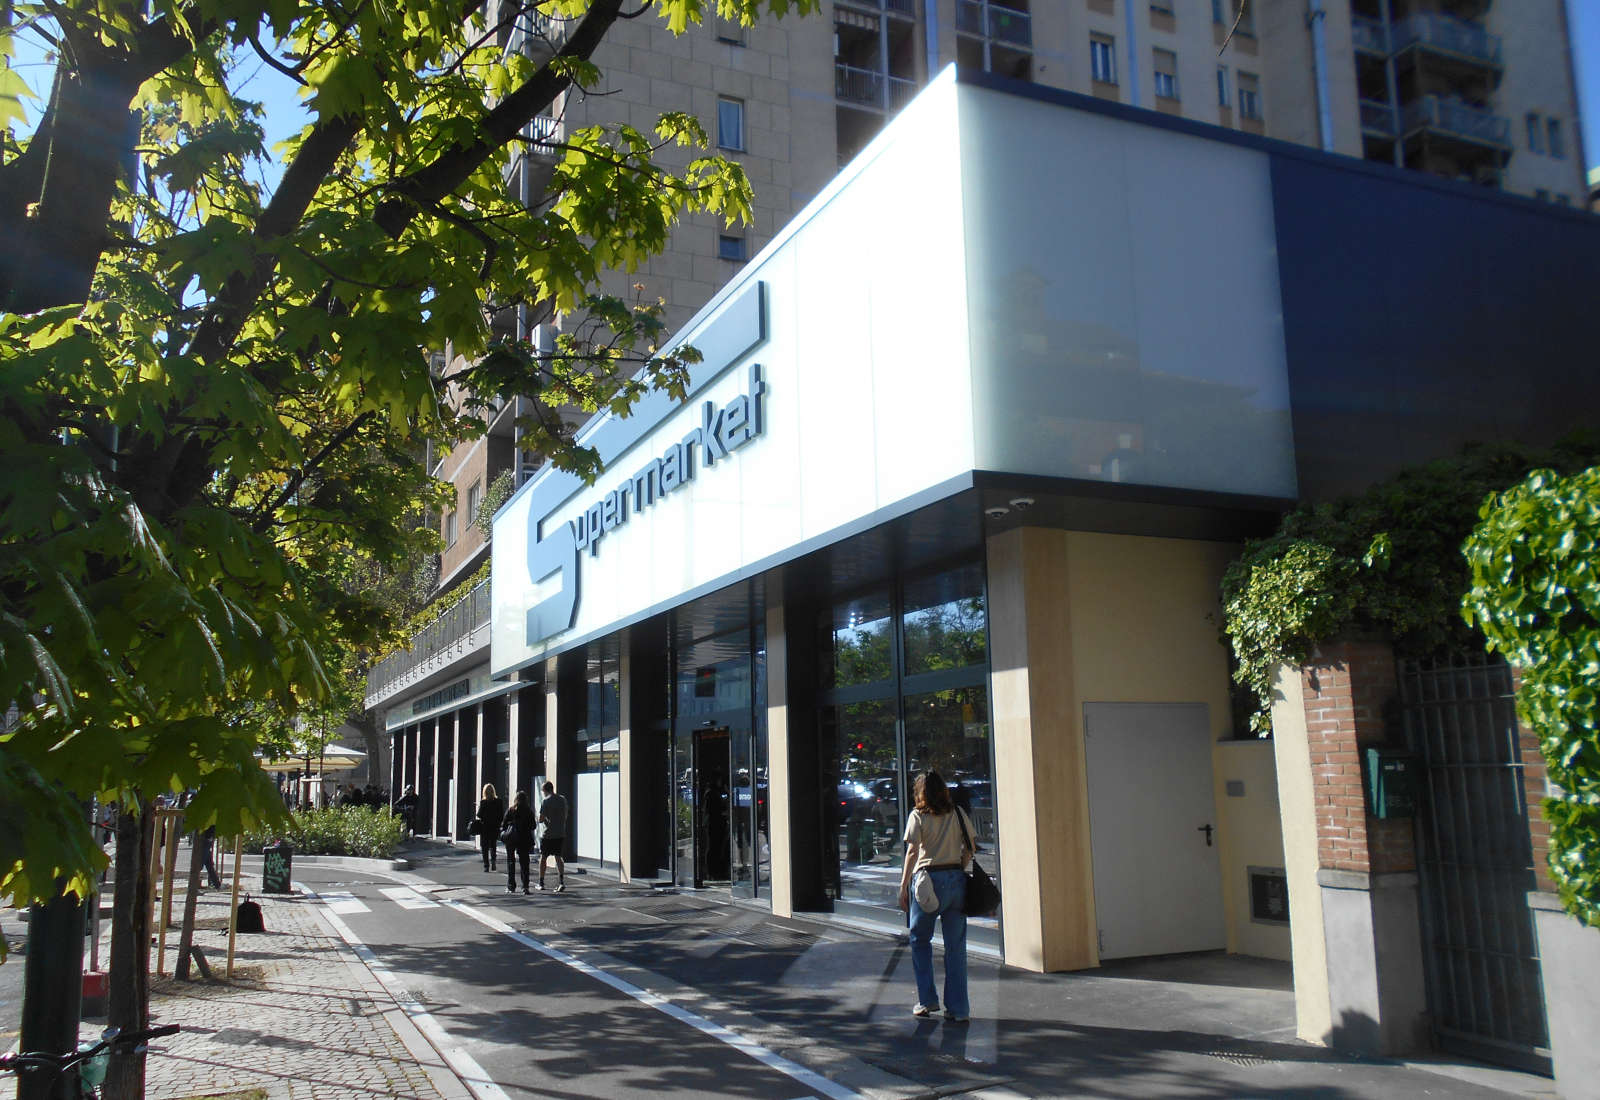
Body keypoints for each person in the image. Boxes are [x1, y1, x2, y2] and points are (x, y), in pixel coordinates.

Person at [896, 770, 974, 1023]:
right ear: (944, 790)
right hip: (955, 879)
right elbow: (970, 847)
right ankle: (959, 1008)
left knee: (920, 941)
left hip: (927, 881)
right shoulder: (958, 814)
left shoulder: (918, 816)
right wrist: (960, 866)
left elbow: (912, 852)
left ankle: (927, 1000)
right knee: (955, 947)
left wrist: (903, 884)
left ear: (920, 793)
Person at [503, 790, 537, 894]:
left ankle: (511, 885)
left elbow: (503, 825)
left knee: (511, 861)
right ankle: (525, 886)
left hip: (511, 838)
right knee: (524, 863)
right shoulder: (528, 811)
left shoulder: (511, 810)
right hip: (524, 839)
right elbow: (533, 826)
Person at [536, 781, 568, 892]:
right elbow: (565, 815)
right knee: (558, 857)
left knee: (543, 857)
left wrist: (544, 819)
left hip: (548, 834)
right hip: (560, 833)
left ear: (545, 790)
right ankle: (561, 881)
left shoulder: (546, 801)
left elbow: (541, 818)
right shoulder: (562, 799)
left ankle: (541, 882)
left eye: (543, 791)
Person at [474, 783, 506, 873]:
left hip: (485, 827)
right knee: (493, 845)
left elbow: (479, 815)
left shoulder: (483, 802)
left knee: (485, 846)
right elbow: (501, 815)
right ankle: (493, 861)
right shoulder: (499, 801)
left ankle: (486, 865)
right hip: (495, 826)